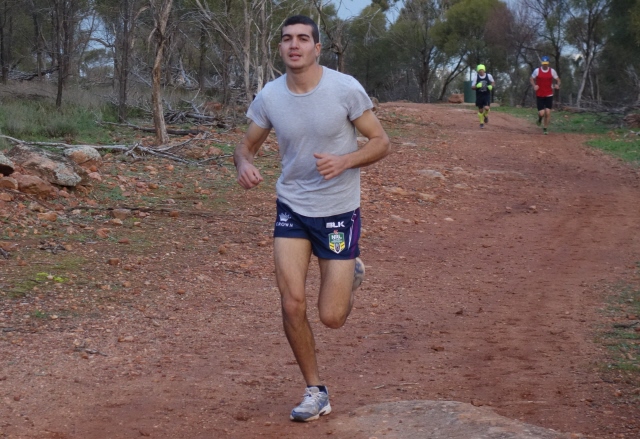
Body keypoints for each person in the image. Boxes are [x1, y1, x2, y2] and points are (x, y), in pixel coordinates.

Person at [233, 15, 390, 422]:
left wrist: (346, 160)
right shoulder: (270, 96)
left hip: (337, 212)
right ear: (280, 48)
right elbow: (246, 146)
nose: (294, 45)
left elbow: (380, 141)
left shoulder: (344, 89)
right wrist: (243, 164)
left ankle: (350, 272)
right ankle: (315, 390)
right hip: (292, 208)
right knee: (291, 302)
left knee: (332, 317)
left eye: (303, 38)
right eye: (287, 39)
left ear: (317, 48)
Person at [530, 56, 561, 135]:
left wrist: (557, 85)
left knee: (548, 112)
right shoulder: (537, 71)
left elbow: (558, 80)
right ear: (542, 63)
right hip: (540, 94)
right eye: (544, 64)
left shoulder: (552, 71)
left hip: (549, 94)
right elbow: (531, 78)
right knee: (542, 113)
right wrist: (534, 86)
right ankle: (540, 119)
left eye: (546, 64)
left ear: (548, 63)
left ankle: (545, 128)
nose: (545, 65)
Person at [472, 64, 495, 128]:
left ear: (484, 70)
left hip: (486, 94)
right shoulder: (476, 77)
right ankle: (481, 123)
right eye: (479, 71)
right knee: (480, 110)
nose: (481, 72)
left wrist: (491, 86)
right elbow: (472, 87)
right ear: (478, 71)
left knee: (487, 108)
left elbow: (493, 82)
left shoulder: (488, 76)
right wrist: (477, 86)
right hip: (479, 95)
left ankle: (486, 115)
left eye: (482, 70)